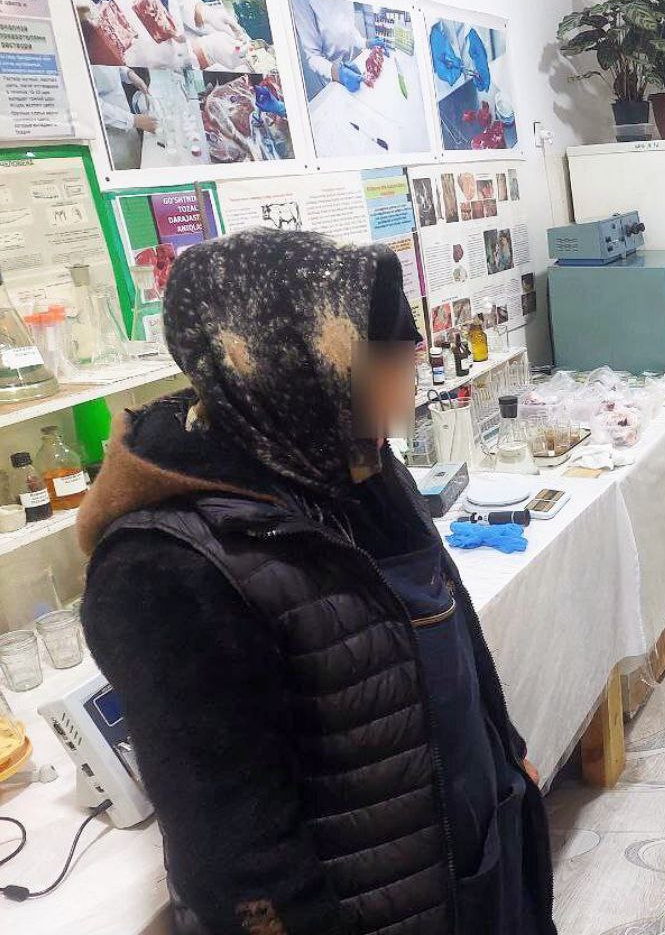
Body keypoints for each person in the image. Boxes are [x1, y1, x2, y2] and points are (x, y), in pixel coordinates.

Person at [78, 229, 556, 935]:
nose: (407, 388)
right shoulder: (166, 568)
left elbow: (451, 628)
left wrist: (504, 752)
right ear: (293, 366)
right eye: (386, 364)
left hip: (462, 857)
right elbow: (233, 850)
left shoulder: (352, 465)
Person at [290, 0, 387, 99]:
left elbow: (347, 28)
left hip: (352, 64)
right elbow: (313, 56)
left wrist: (365, 42)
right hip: (331, 73)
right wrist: (339, 74)